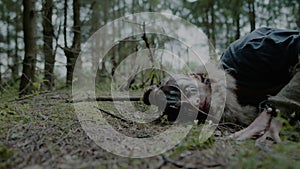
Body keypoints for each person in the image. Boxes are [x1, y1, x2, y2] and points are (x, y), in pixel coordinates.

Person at [143, 27, 300, 143]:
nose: (193, 103)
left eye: (189, 91)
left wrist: (277, 111)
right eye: (183, 109)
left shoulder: (245, 53)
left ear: (195, 76)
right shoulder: (228, 115)